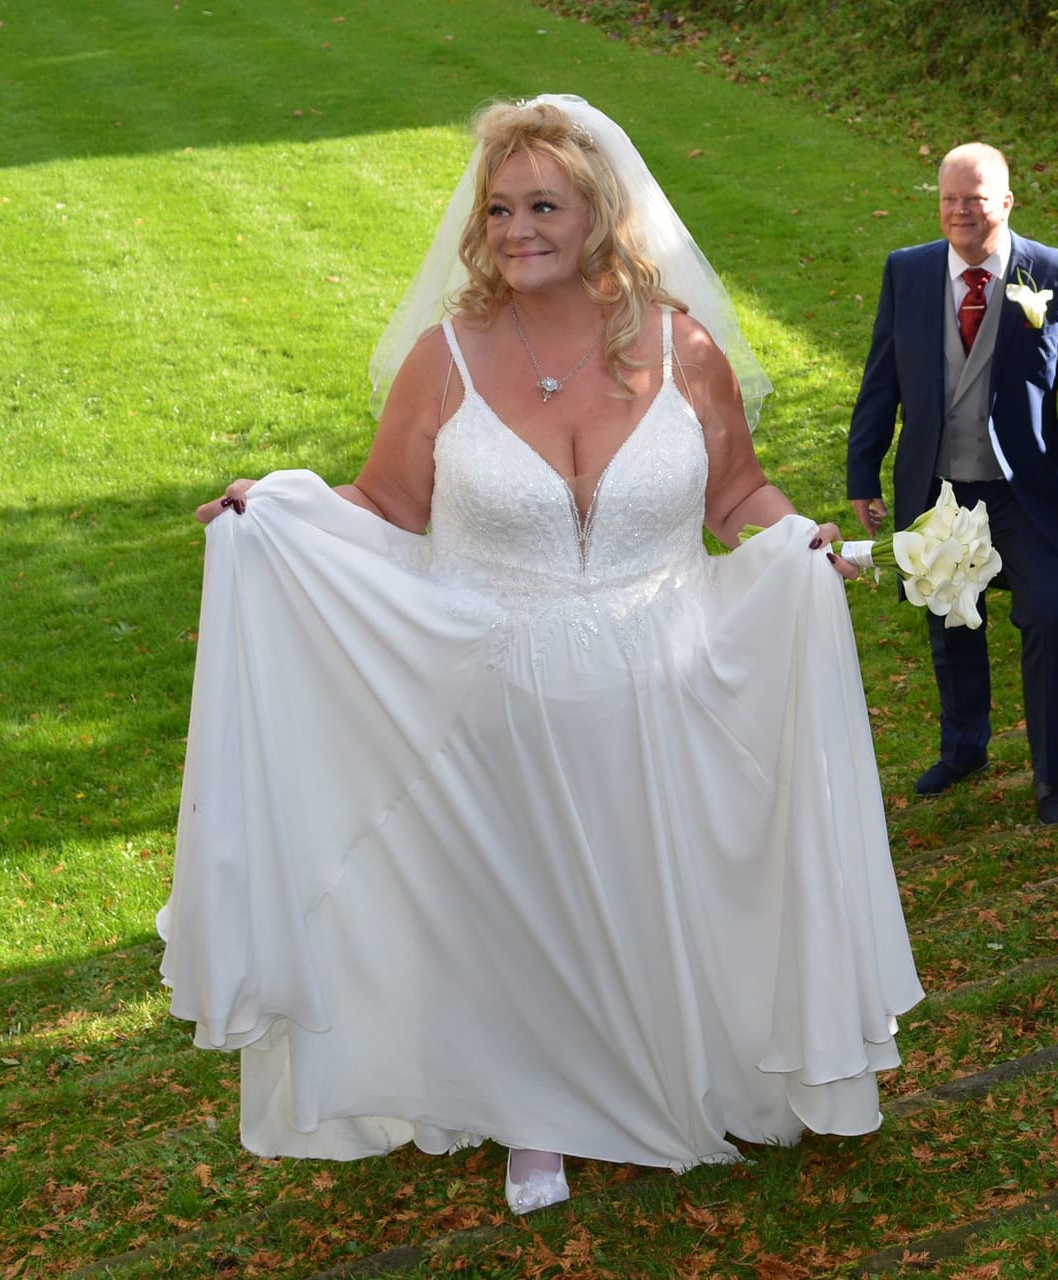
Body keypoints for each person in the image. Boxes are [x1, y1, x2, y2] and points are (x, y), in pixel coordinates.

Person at [157, 95, 923, 1216]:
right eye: (500, 209)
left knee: (652, 892)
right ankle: (535, 1116)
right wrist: (278, 511)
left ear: (600, 213)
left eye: (544, 206)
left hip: (663, 685)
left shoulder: (682, 348)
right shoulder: (446, 359)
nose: (517, 229)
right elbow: (388, 503)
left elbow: (735, 494)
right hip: (493, 693)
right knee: (514, 909)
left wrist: (797, 537)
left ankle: (674, 1071)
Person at [847, 142, 1058, 826]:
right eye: (949, 199)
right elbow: (881, 379)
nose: (960, 211)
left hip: (1023, 492)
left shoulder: (1056, 273)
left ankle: (1051, 777)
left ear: (1006, 201)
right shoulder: (907, 272)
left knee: (1050, 617)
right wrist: (863, 470)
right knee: (951, 622)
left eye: (974, 199)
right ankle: (964, 747)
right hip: (939, 486)